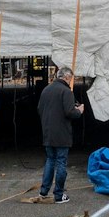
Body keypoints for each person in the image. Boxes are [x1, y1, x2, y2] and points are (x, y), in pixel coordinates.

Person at [36, 66, 85, 204]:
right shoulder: (66, 91)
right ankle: (59, 194)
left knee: (50, 160)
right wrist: (79, 110)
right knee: (61, 162)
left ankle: (43, 191)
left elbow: (39, 109)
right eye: (71, 78)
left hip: (48, 131)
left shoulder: (46, 89)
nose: (71, 81)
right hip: (62, 133)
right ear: (67, 77)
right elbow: (70, 112)